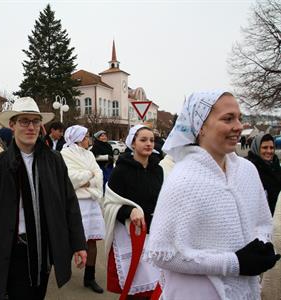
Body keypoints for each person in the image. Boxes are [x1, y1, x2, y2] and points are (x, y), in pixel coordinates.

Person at [0, 97, 87, 300]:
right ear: (12, 125)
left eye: (35, 121)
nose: (31, 127)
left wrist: (79, 243)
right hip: (14, 250)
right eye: (24, 121)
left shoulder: (54, 161)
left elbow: (70, 204)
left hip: (44, 246)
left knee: (38, 295)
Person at [147, 90, 280, 299]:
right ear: (201, 128)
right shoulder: (183, 179)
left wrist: (262, 246)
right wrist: (233, 263)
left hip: (244, 290)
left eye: (239, 118)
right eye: (228, 118)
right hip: (197, 292)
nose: (238, 126)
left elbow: (262, 221)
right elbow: (162, 253)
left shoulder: (247, 171)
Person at [103, 124, 162, 298]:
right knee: (135, 289)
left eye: (151, 140)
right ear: (133, 143)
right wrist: (130, 211)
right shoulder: (121, 170)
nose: (149, 144)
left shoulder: (158, 170)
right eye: (143, 140)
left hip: (154, 234)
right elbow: (110, 203)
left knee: (156, 288)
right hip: (129, 235)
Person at [61, 125, 105, 294]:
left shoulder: (89, 154)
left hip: (91, 201)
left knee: (91, 241)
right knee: (69, 240)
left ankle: (90, 277)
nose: (89, 139)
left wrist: (87, 179)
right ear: (78, 138)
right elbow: (69, 178)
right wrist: (88, 176)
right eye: (86, 136)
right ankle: (63, 272)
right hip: (75, 203)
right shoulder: (65, 154)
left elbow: (99, 174)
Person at [247, 134, 281, 215]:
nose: (269, 151)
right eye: (265, 148)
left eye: (272, 148)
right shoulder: (249, 168)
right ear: (257, 148)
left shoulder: (276, 166)